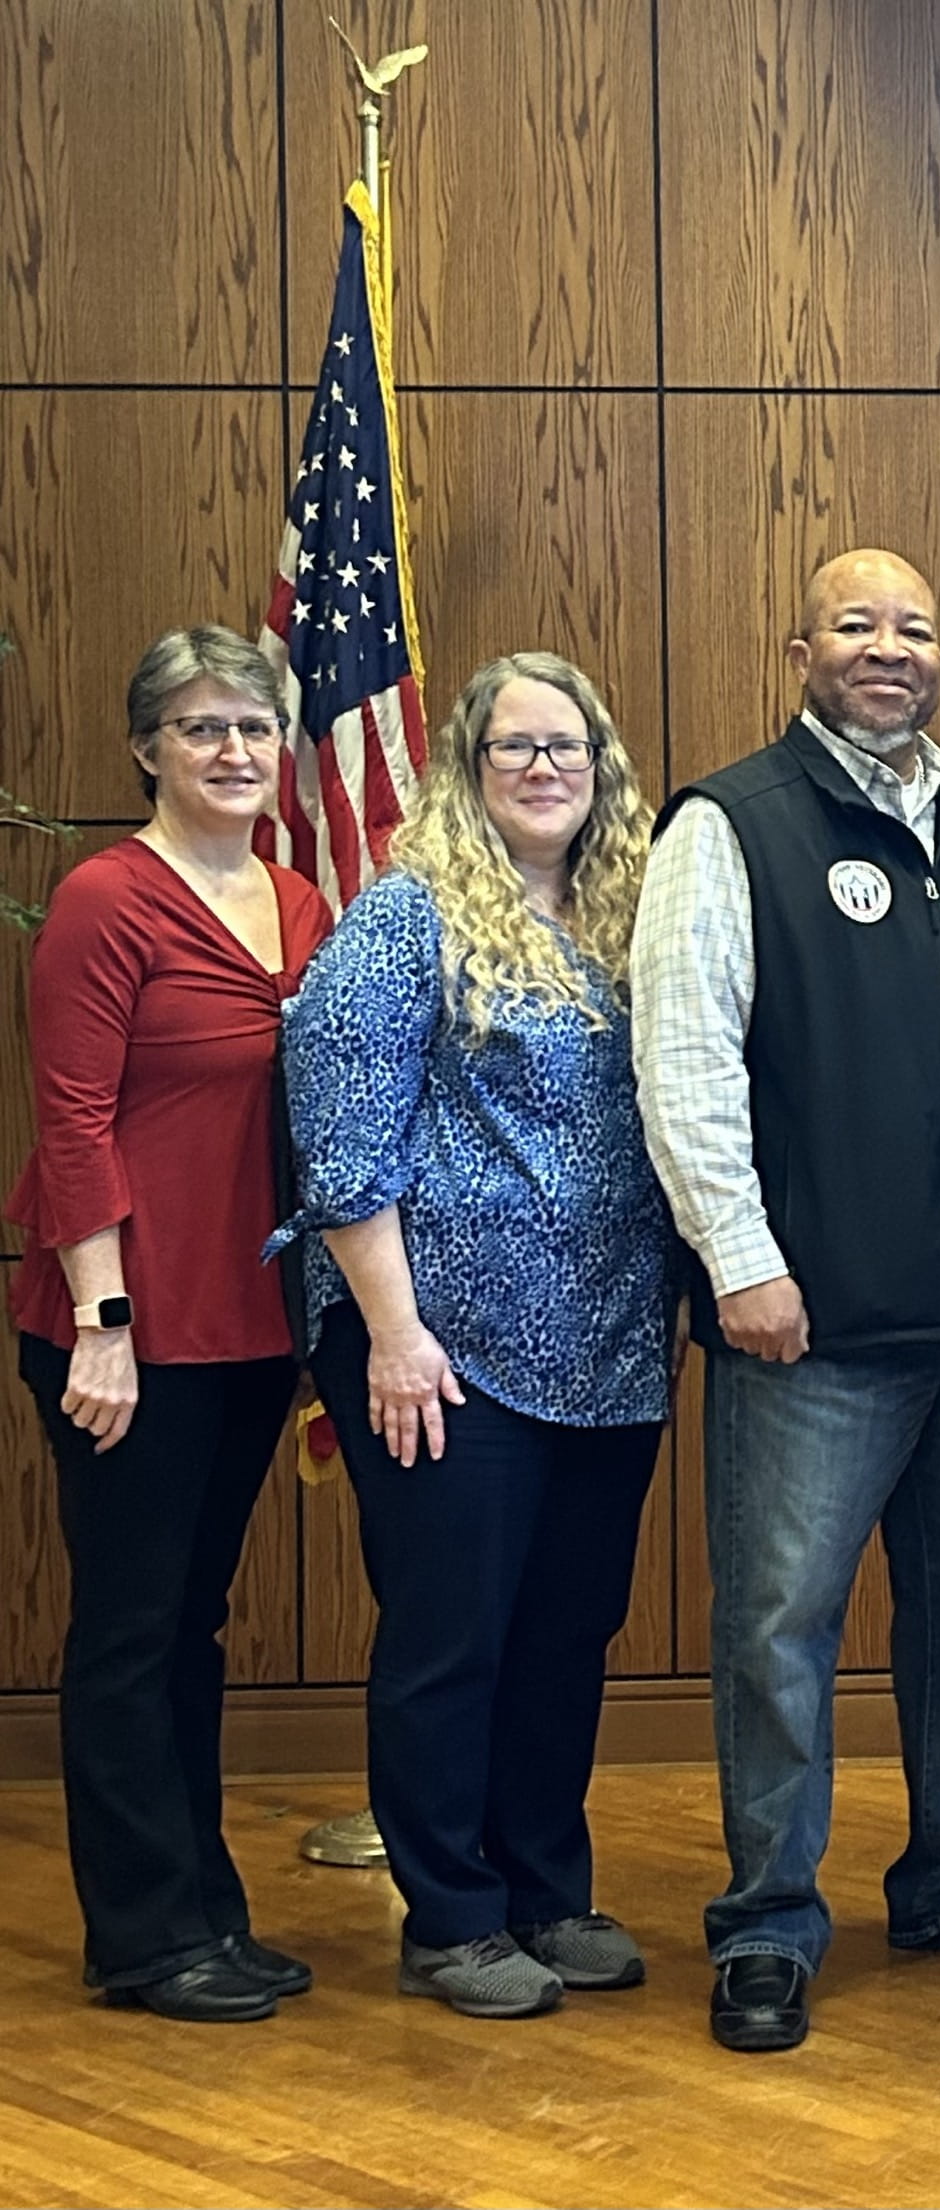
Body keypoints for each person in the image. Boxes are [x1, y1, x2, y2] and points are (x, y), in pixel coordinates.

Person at [631, 547, 940, 2057]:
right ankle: (768, 1918)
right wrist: (739, 1259)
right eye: (855, 622)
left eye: (913, 625)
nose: (887, 647)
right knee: (781, 1623)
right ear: (800, 646)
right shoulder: (730, 822)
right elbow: (686, 1056)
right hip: (813, 1318)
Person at [273, 652, 675, 2020]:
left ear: (602, 768)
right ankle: (449, 1911)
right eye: (516, 747)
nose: (546, 767)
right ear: (466, 766)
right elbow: (338, 1139)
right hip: (442, 1347)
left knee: (568, 1629)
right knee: (455, 1632)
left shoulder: (630, 918)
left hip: (611, 1349)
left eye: (570, 746)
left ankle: (544, 1889)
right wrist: (391, 1332)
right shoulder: (406, 917)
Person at [7, 626, 331, 2021]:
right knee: (131, 1628)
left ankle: (206, 1903)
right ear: (146, 747)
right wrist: (101, 1316)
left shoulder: (306, 901)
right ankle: (141, 1935)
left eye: (254, 727)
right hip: (122, 1323)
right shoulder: (104, 898)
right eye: (201, 727)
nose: (233, 752)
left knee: (193, 1622)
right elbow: (70, 1119)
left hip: (251, 1322)